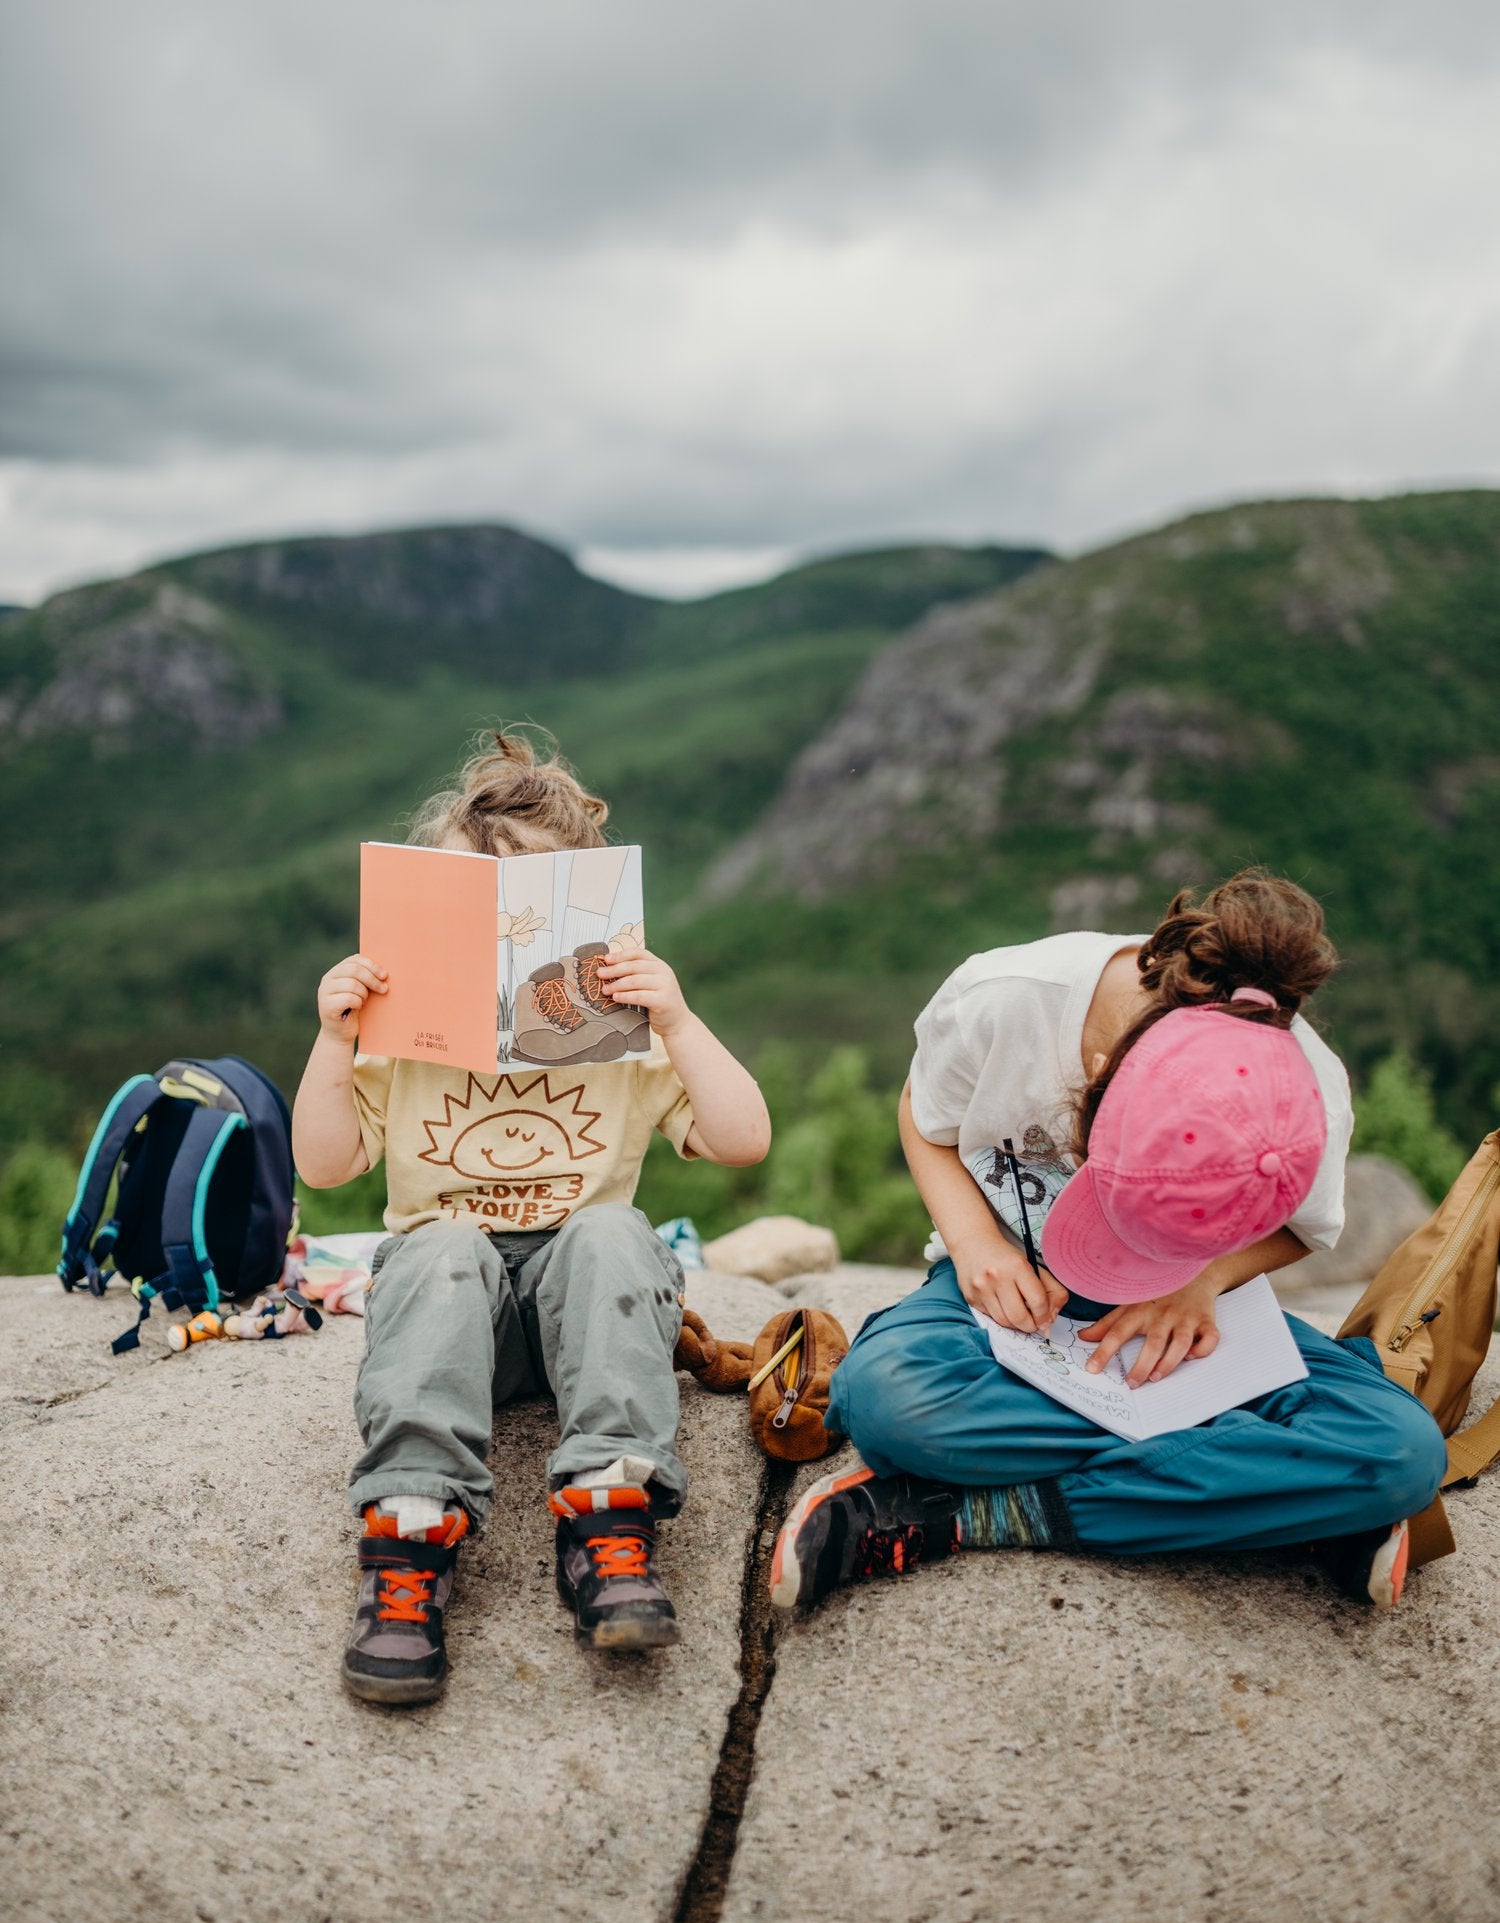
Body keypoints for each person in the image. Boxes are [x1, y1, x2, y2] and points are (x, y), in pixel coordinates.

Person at [769, 870, 1447, 1617]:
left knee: (1402, 1455)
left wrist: (1200, 1281)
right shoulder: (1004, 999)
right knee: (885, 1400)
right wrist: (972, 1241)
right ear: (1096, 1080)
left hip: (1180, 1306)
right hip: (1016, 1282)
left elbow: (1303, 1225)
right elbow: (922, 1109)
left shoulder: (1304, 1083)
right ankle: (1272, 1496)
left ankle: (975, 1515)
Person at [294, 730, 771, 1704]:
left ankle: (608, 1519)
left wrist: (676, 1021)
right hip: (454, 1308)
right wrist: (332, 1042)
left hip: (580, 1318)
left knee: (610, 1233)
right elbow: (326, 1163)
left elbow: (743, 1139)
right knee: (441, 1245)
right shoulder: (405, 1040)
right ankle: (408, 1543)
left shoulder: (630, 1040)